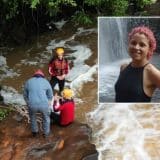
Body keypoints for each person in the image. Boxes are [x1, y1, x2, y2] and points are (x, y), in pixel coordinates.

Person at [115, 26, 160, 102]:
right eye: (133, 43)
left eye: (142, 45)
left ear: (149, 49)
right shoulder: (123, 67)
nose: (136, 47)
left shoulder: (151, 72)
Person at [23, 69, 53, 137]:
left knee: (32, 117)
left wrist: (28, 102)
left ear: (34, 76)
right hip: (44, 105)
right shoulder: (46, 82)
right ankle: (46, 134)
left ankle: (35, 132)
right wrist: (48, 102)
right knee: (46, 118)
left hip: (32, 105)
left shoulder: (28, 81)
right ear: (42, 76)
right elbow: (50, 95)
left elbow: (25, 95)